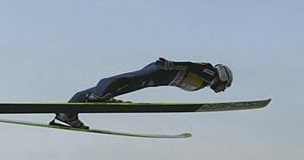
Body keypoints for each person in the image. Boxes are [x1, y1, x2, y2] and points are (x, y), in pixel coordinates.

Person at [50, 57, 233, 129]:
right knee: (129, 78)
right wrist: (171, 65)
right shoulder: (209, 73)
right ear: (223, 77)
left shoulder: (206, 81)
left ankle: (68, 114)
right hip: (161, 71)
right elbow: (189, 66)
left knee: (128, 84)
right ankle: (99, 95)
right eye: (225, 86)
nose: (222, 90)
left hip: (157, 80)